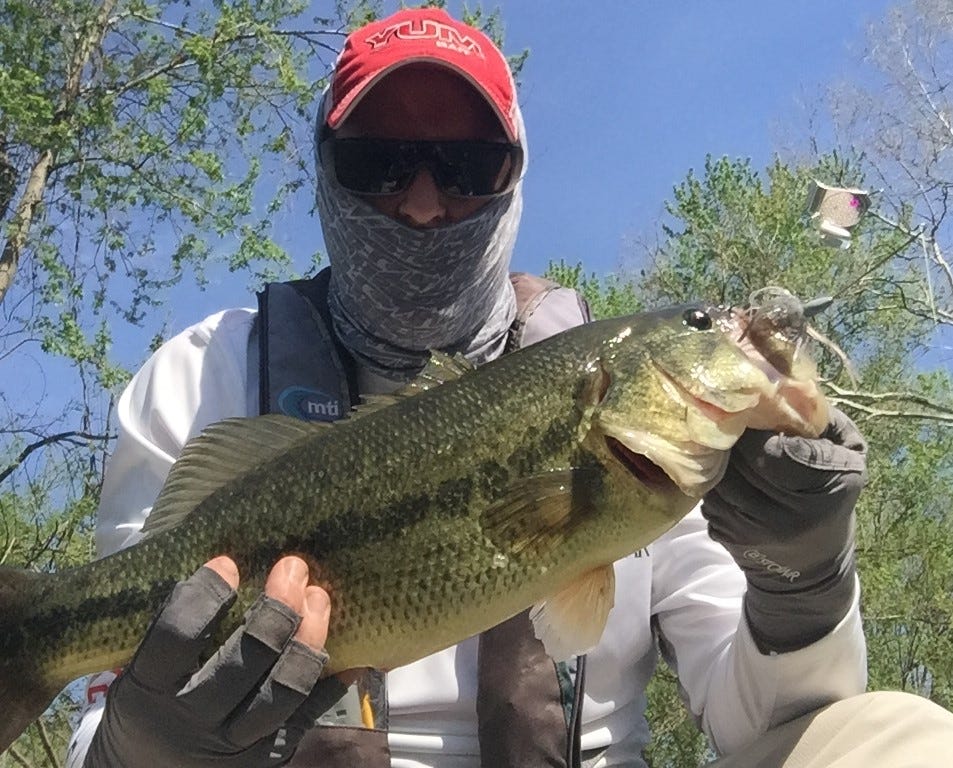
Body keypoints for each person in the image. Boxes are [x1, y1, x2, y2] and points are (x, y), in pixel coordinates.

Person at [66, 7, 953, 768]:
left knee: (901, 739)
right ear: (324, 172)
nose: (420, 204)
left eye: (464, 167)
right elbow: (101, 720)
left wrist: (798, 573)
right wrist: (140, 744)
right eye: (380, 162)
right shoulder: (204, 372)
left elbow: (772, 722)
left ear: (514, 177)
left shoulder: (650, 419)